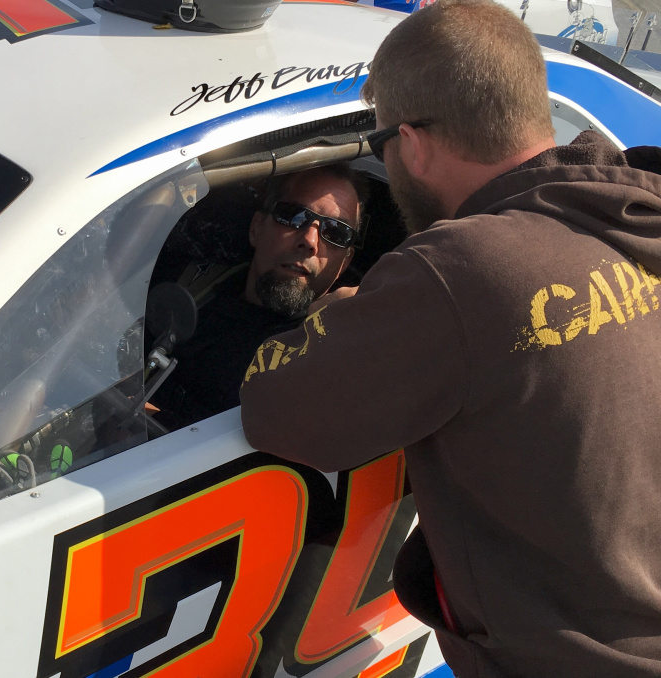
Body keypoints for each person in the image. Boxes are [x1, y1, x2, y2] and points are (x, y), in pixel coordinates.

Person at [238, 1, 661, 677]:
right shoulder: (635, 214)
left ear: (412, 144)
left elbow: (274, 408)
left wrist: (335, 317)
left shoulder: (459, 270)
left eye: (381, 143)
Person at [151, 165, 363, 431]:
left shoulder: (323, 357)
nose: (310, 241)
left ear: (344, 264)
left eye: (336, 233)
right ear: (256, 228)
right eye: (294, 215)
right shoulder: (190, 281)